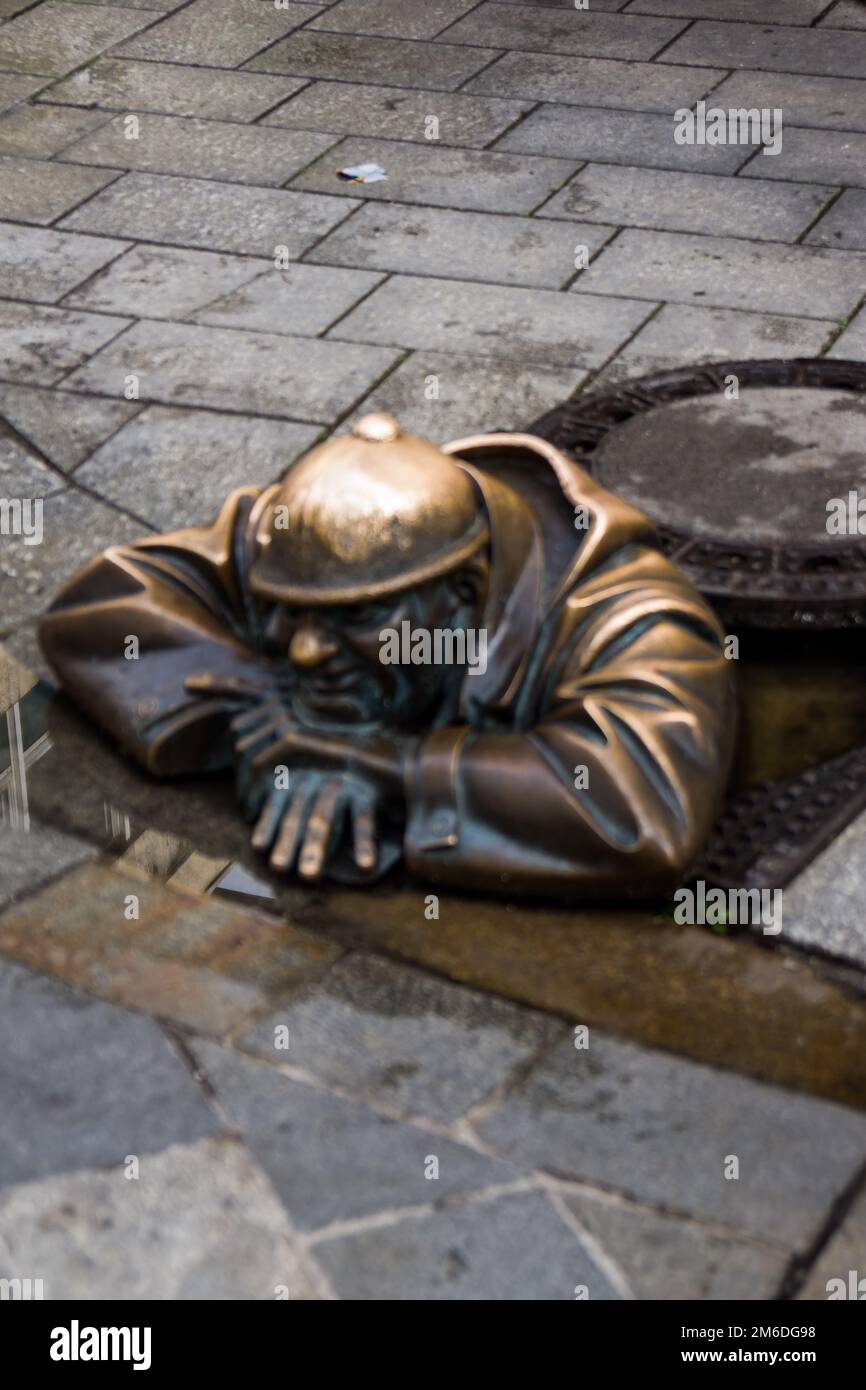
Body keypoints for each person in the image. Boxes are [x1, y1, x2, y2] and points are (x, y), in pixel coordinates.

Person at [39, 413, 735, 899]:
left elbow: (643, 808)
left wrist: (393, 768)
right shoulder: (304, 551)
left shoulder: (635, 618)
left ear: (462, 595)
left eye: (355, 623)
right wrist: (268, 712)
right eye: (291, 617)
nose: (307, 650)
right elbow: (103, 604)